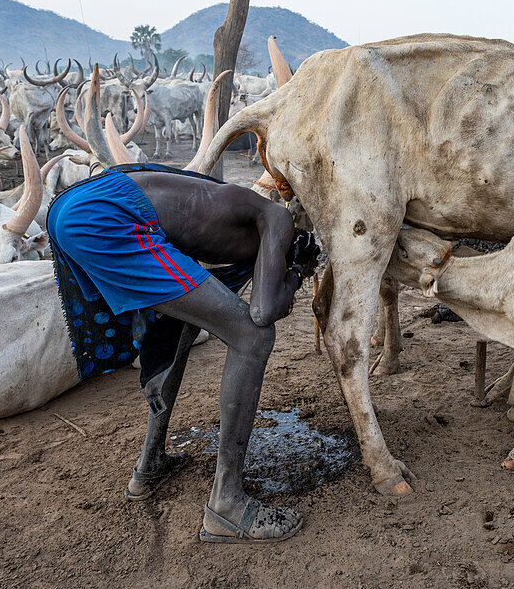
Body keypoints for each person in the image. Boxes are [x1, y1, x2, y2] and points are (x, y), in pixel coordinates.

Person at [46, 162, 318, 544]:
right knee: (252, 339)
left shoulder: (235, 211)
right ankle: (227, 503)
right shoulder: (276, 217)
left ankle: (148, 466)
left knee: (179, 327)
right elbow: (263, 311)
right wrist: (297, 273)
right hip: (111, 215)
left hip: (82, 204)